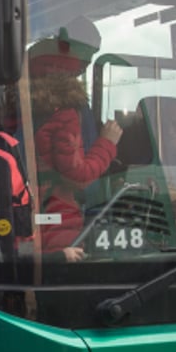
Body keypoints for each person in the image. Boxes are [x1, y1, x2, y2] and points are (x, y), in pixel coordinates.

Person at [30, 64, 122, 252]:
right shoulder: (65, 116)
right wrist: (107, 142)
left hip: (36, 207)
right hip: (56, 211)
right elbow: (77, 177)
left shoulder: (34, 110)